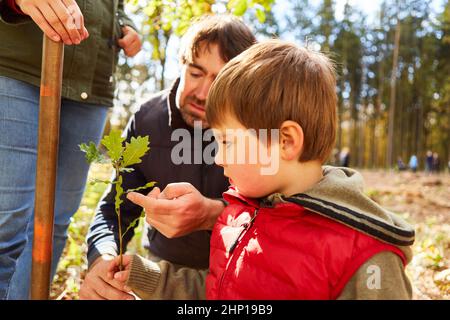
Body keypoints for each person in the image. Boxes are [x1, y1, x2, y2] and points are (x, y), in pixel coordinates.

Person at [109, 40, 415, 299]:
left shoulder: (367, 259)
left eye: (226, 141)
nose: (218, 158)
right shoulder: (240, 215)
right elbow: (223, 289)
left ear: (286, 141)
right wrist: (145, 275)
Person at [79, 15, 256, 300]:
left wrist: (213, 215)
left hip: (242, 275)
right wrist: (103, 259)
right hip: (162, 276)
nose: (203, 93)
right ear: (181, 63)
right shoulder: (147, 120)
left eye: (220, 81)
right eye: (196, 73)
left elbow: (282, 216)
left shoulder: (257, 126)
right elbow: (115, 210)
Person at [0, 0, 142, 299]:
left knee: (55, 223)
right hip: (16, 69)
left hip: (89, 87)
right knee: (5, 223)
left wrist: (125, 25)